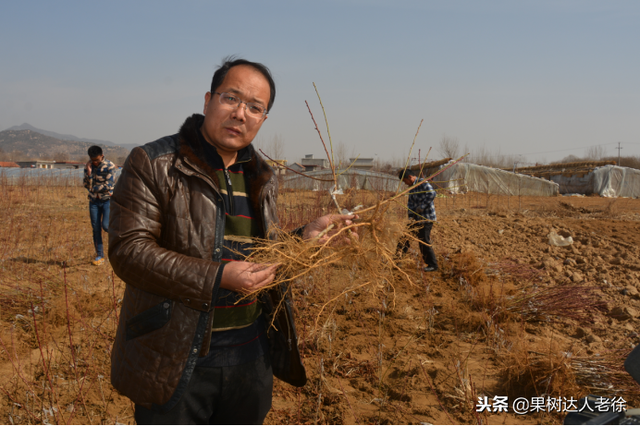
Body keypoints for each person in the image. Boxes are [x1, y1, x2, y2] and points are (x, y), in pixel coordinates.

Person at [108, 57, 355, 425]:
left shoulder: (262, 177)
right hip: (176, 354)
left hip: (249, 355)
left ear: (263, 119)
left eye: (255, 107)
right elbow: (129, 252)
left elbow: (257, 252)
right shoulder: (155, 162)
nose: (241, 113)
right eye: (231, 98)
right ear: (208, 100)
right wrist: (218, 277)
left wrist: (302, 239)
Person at [397, 169, 438, 272]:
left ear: (410, 177)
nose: (405, 183)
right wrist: (411, 217)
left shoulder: (422, 183)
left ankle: (433, 265)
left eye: (405, 181)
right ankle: (397, 260)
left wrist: (421, 206)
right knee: (405, 238)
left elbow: (432, 194)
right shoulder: (412, 187)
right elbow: (410, 203)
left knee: (423, 241)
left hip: (426, 218)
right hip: (415, 219)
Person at [83, 145, 116, 266]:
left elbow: (108, 185)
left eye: (97, 160)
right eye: (93, 160)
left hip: (107, 200)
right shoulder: (89, 167)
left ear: (102, 156)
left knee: (106, 226)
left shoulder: (110, 166)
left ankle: (119, 248)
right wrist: (89, 173)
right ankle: (100, 255)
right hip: (93, 202)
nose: (95, 162)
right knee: (96, 229)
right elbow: (86, 185)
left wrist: (93, 188)